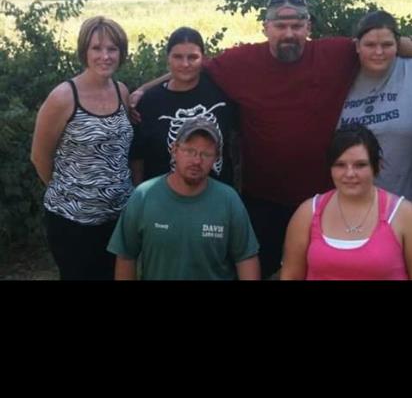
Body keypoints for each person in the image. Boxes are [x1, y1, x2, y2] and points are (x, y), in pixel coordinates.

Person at [131, 0, 412, 278]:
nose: (289, 33)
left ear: (309, 26)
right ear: (266, 27)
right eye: (280, 25)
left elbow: (382, 42)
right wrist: (146, 89)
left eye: (296, 24)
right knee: (256, 268)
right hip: (264, 199)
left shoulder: (335, 53)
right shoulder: (242, 62)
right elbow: (190, 67)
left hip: (323, 198)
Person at [30, 16, 134, 280]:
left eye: (112, 49)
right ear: (84, 52)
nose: (105, 56)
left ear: (121, 52)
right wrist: (72, 193)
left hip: (119, 217)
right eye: (96, 48)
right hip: (72, 222)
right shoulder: (63, 97)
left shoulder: (121, 91)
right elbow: (39, 157)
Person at [108, 118, 260, 280]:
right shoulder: (144, 196)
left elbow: (246, 258)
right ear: (174, 150)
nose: (197, 161)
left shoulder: (228, 199)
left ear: (216, 158)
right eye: (189, 151)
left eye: (206, 154)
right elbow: (126, 256)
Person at [280, 128, 412, 280]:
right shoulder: (308, 212)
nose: (350, 174)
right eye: (340, 165)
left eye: (360, 165)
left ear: (377, 166)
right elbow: (291, 275)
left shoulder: (407, 216)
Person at [337, 10, 412, 202]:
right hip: (351, 202)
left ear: (398, 44)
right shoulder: (340, 74)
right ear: (357, 46)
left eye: (387, 45)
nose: (378, 52)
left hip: (411, 202)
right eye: (370, 45)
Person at [129, 26, 238, 188]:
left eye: (192, 57)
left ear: (203, 59)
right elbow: (138, 156)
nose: (185, 64)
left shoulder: (221, 91)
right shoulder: (150, 102)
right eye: (178, 57)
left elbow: (237, 141)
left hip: (217, 197)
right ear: (168, 59)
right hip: (162, 197)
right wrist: (139, 195)